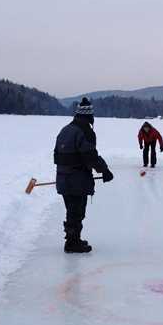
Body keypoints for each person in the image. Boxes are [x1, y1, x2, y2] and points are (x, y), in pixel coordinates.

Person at [54, 97, 114, 253]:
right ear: (89, 116)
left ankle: (73, 239)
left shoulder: (65, 129)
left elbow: (58, 155)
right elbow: (90, 155)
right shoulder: (85, 131)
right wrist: (105, 170)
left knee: (72, 210)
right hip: (77, 179)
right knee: (76, 211)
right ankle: (72, 243)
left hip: (63, 178)